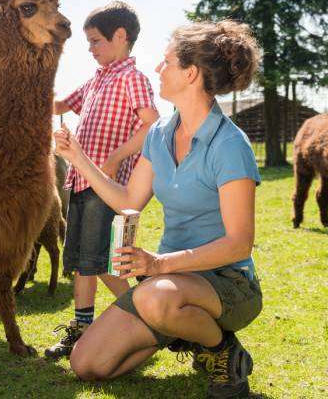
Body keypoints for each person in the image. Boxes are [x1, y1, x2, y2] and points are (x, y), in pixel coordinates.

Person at [56, 20, 263, 399]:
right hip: (167, 285)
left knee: (155, 296)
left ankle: (222, 352)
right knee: (87, 364)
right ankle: (185, 329)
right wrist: (78, 159)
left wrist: (158, 266)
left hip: (228, 285)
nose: (157, 69)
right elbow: (128, 201)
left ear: (190, 73)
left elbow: (239, 244)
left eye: (166, 62)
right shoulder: (160, 133)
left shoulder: (230, 145)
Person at [46, 1, 159, 360]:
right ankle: (81, 330)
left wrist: (116, 157)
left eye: (96, 41)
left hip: (106, 189)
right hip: (80, 182)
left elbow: (151, 123)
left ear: (121, 36)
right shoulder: (98, 79)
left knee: (103, 262)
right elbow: (61, 104)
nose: (91, 49)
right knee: (82, 261)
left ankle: (151, 317)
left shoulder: (132, 78)